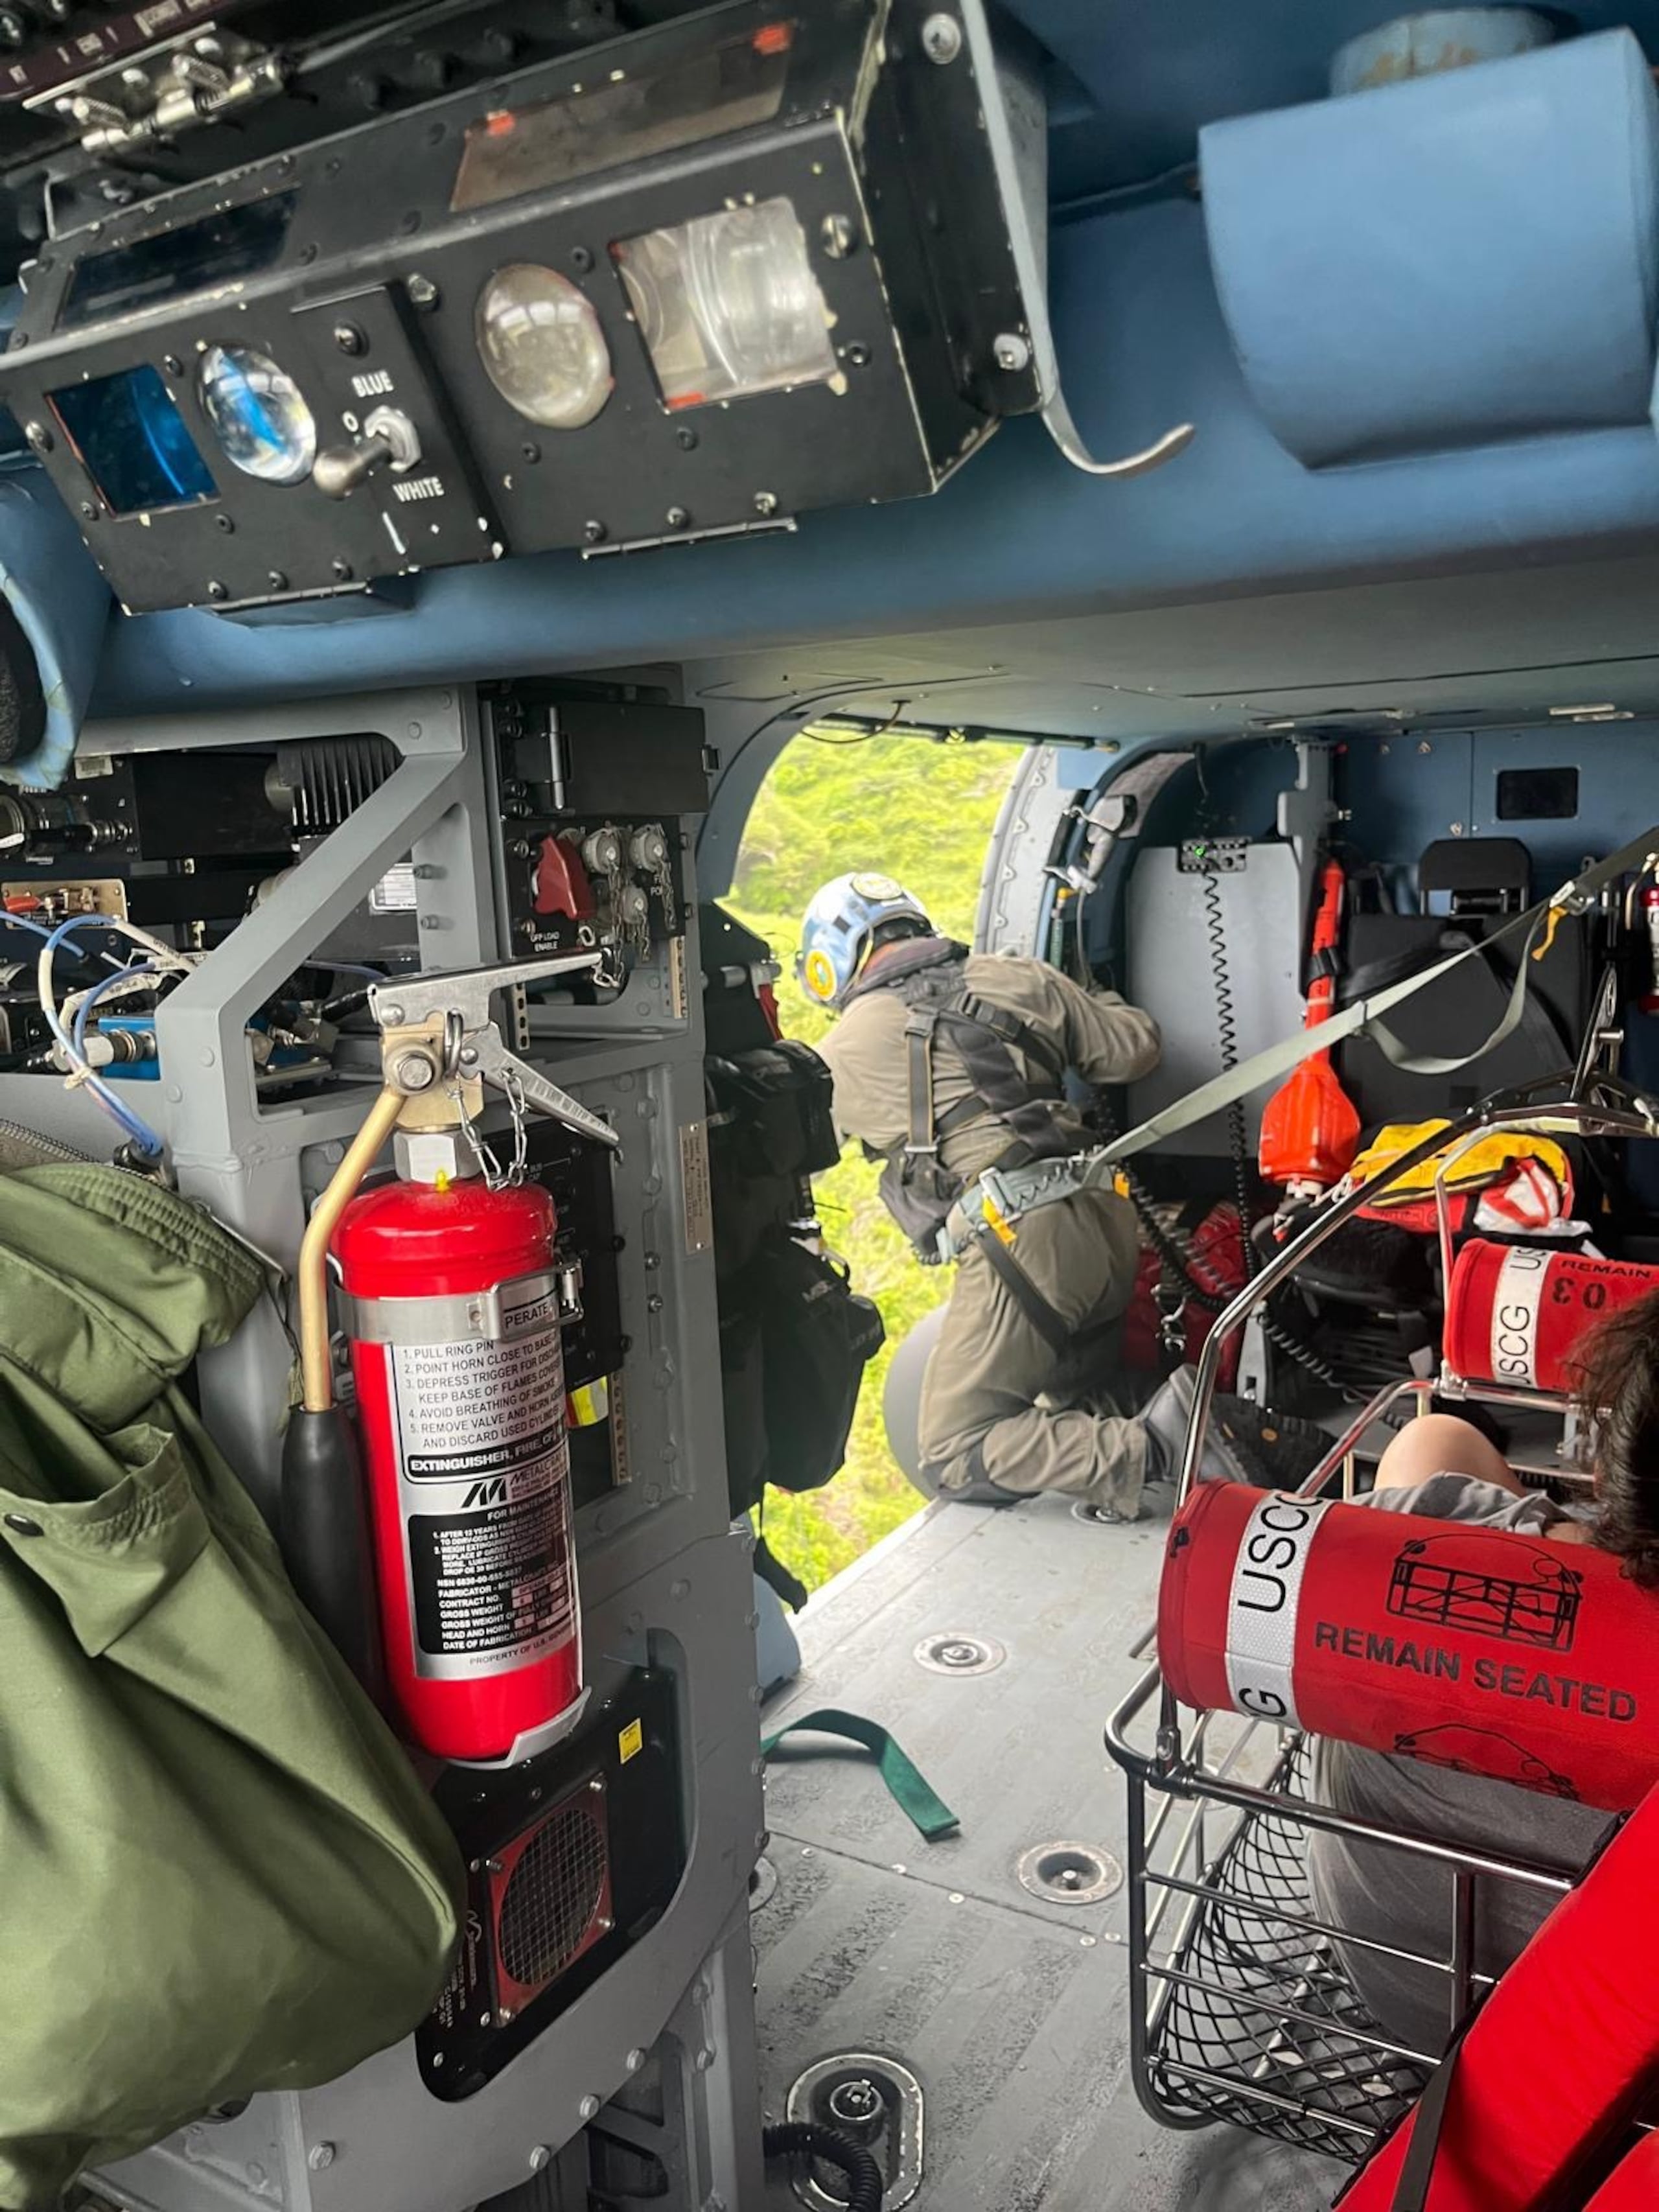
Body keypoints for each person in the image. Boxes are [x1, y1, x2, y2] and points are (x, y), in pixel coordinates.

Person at [799, 870, 1325, 1519]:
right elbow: (1135, 1049)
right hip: (1108, 1226)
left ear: (832, 965)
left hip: (1021, 1247)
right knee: (1084, 1397)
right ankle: (1206, 1425)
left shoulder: (837, 1052)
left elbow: (792, 1163)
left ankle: (1165, 1445)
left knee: (952, 1448)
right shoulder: (1019, 976)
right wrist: (1088, 991)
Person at [1306, 1290, 1659, 2056]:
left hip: (1398, 1982)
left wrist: (1550, 1527)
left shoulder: (1424, 1537)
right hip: (1608, 2069)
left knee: (1433, 1437)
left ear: (1613, 1466)